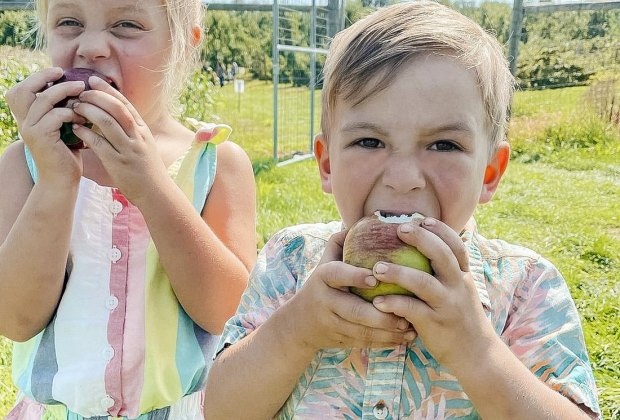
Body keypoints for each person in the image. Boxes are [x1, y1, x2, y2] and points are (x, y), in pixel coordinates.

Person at [203, 2, 601, 419]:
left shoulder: (525, 288)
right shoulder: (289, 262)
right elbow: (221, 409)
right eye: (370, 142)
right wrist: (297, 330)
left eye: (444, 145)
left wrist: (477, 352)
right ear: (327, 163)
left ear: (489, 173)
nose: (404, 177)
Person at [0, 0, 256, 418]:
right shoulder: (23, 164)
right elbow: (14, 318)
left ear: (184, 46)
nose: (93, 47)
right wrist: (55, 182)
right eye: (69, 22)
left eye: (126, 24)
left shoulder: (216, 164)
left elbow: (226, 313)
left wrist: (152, 185)